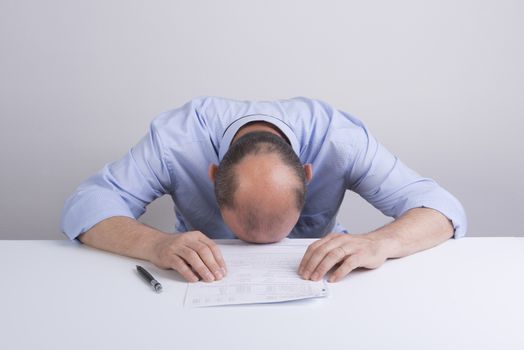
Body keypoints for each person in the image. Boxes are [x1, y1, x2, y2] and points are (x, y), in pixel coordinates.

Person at [61, 96, 467, 283]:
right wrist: (156, 245)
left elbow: (442, 209)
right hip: (200, 290)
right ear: (212, 174)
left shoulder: (339, 140)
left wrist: (380, 243)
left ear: (308, 175)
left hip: (325, 289)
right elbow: (85, 206)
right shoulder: (176, 140)